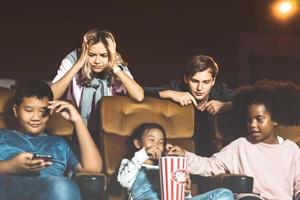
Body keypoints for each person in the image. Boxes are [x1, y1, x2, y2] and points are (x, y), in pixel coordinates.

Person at [167, 80, 300, 200]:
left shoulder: (291, 150)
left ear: (275, 120)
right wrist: (184, 155)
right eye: (249, 120)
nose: (253, 125)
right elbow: (210, 166)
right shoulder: (240, 146)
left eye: (259, 119)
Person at [0, 80, 102, 200]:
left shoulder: (60, 144)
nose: (36, 118)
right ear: (16, 111)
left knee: (62, 186)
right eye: (29, 110)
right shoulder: (3, 136)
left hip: (54, 193)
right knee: (61, 186)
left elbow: (93, 168)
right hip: (11, 192)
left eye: (43, 112)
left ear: (51, 112)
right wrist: (11, 166)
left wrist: (78, 121)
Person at [51, 29, 144, 139]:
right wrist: (78, 65)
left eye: (103, 55)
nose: (97, 61)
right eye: (92, 55)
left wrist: (114, 66)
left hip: (110, 128)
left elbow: (139, 96)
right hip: (77, 128)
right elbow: (51, 95)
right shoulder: (73, 58)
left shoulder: (116, 60)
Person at [144, 55, 234, 156]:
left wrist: (226, 106)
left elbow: (251, 99)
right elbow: (139, 93)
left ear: (213, 81)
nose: (200, 88)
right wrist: (169, 93)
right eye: (194, 81)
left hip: (212, 160)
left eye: (206, 82)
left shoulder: (220, 91)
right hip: (180, 157)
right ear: (186, 79)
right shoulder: (176, 87)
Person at [117, 123, 234, 200]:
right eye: (151, 140)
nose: (156, 145)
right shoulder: (131, 164)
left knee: (225, 194)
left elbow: (183, 196)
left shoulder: (169, 167)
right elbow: (124, 182)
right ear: (137, 143)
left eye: (161, 142)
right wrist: (143, 154)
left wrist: (186, 192)